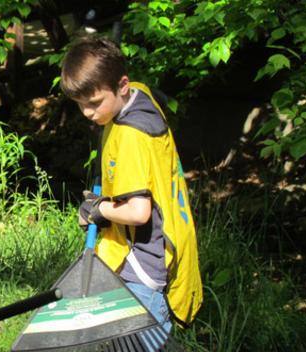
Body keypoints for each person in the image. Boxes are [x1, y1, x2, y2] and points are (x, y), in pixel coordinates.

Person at [60, 37, 203, 332]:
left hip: (144, 268)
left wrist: (99, 210)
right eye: (80, 105)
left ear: (122, 85)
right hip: (155, 252)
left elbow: (139, 213)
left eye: (94, 103)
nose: (88, 113)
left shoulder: (131, 135)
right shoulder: (138, 97)